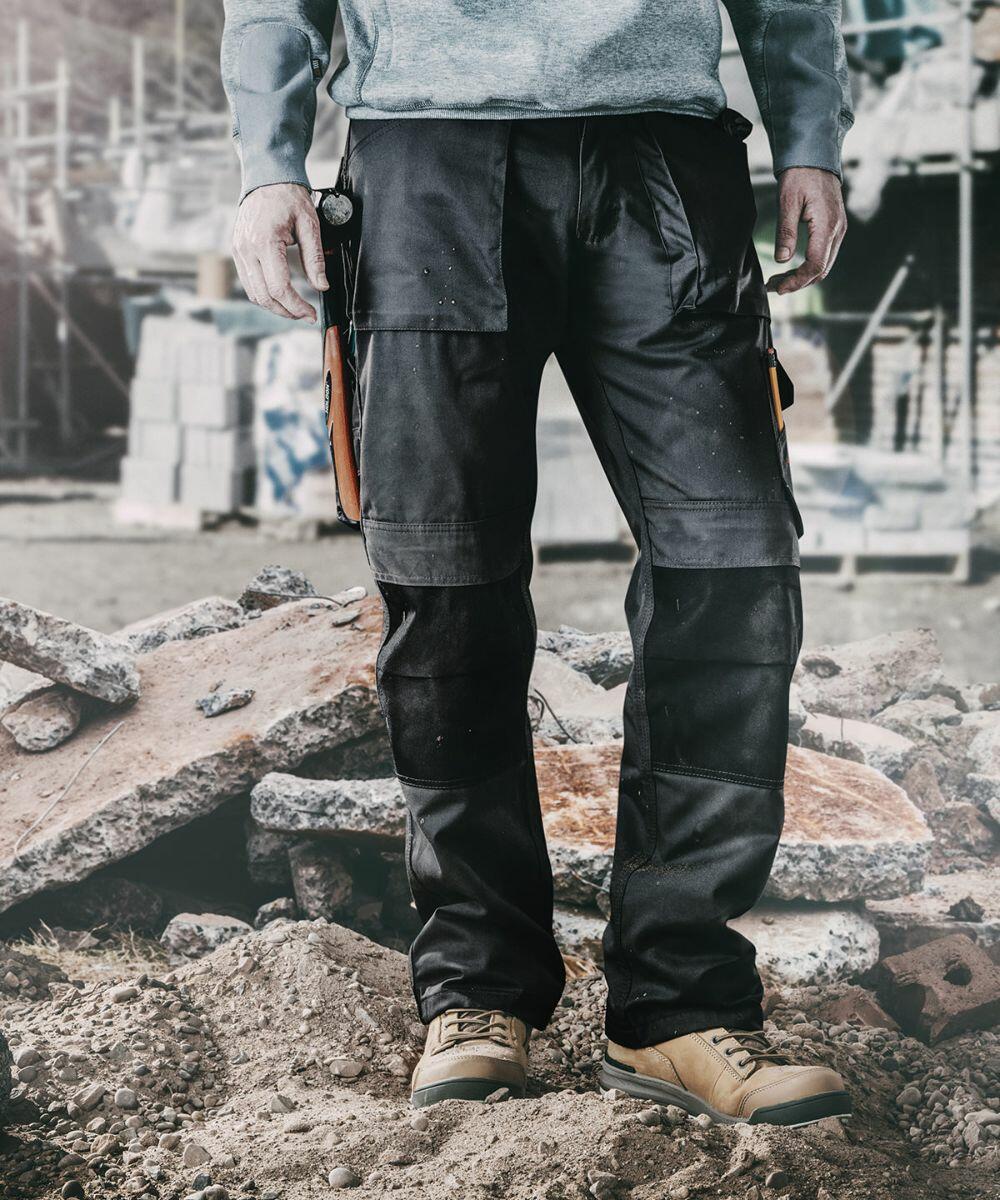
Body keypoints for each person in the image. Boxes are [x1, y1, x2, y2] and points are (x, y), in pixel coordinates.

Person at [221, 0, 853, 1124]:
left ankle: (679, 1008)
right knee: (446, 590)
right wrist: (269, 160)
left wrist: (809, 133)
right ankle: (477, 990)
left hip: (663, 156)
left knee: (732, 566)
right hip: (429, 155)